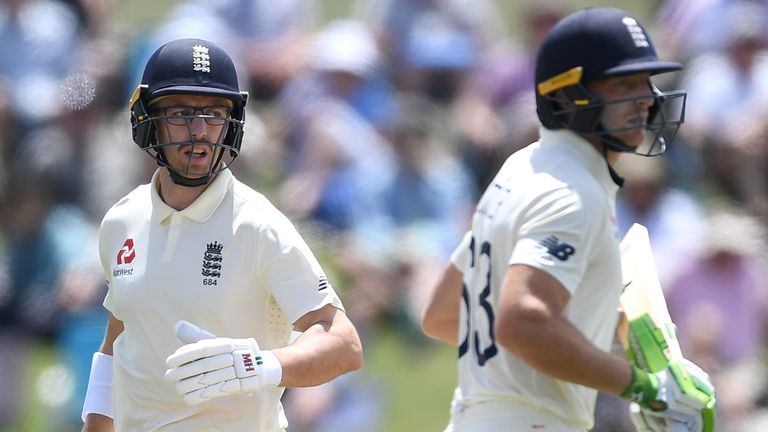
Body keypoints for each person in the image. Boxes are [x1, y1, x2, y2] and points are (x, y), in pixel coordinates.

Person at [421, 7, 715, 432]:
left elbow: (446, 314)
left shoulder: (520, 169)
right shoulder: (573, 192)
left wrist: (584, 338)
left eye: (646, 82)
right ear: (565, 96)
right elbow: (522, 321)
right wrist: (646, 387)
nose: (647, 98)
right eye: (624, 84)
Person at [80, 38, 362, 432]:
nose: (200, 132)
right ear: (147, 118)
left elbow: (343, 344)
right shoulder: (121, 221)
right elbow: (118, 340)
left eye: (214, 114)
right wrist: (95, 425)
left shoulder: (259, 224)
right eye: (180, 113)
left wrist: (260, 365)